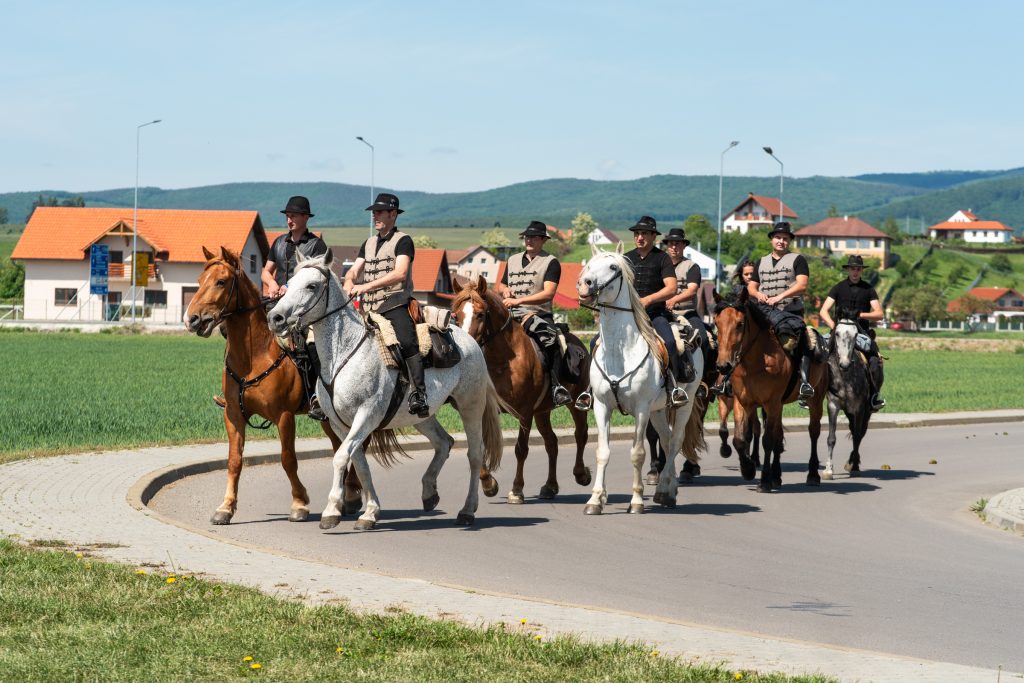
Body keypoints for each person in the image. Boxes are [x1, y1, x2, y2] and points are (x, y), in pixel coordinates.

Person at [214, 196, 329, 420]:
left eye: (294, 216)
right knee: (232, 329)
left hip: (302, 308)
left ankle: (316, 396)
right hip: (277, 303)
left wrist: (290, 288)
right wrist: (272, 283)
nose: (289, 220)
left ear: (306, 218)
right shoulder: (278, 242)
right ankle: (234, 390)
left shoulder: (316, 245)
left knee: (309, 344)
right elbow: (267, 271)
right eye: (287, 216)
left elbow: (316, 277)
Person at [343, 192, 428, 418]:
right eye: (374, 212)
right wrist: (350, 278)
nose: (375, 216)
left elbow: (400, 273)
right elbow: (355, 268)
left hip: (394, 303)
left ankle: (420, 394)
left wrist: (366, 286)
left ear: (393, 214)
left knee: (408, 341)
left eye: (379, 212)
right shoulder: (368, 243)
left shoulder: (404, 241)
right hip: (367, 308)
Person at [496, 220, 572, 406]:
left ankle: (556, 387)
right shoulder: (512, 260)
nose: (529, 240)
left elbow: (549, 293)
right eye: (527, 237)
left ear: (543, 240)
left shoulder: (551, 262)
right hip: (509, 313)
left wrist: (519, 301)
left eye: (534, 237)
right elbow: (501, 284)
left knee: (551, 340)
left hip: (538, 314)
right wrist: (504, 291)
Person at [623, 216, 691, 406]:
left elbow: (671, 288)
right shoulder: (626, 258)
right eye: (637, 233)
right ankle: (592, 390)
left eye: (644, 233)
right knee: (597, 341)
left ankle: (674, 387)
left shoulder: (662, 259)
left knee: (669, 342)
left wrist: (649, 299)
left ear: (653, 236)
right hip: (628, 315)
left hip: (655, 314)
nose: (639, 237)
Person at [747, 221, 816, 407]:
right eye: (778, 238)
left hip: (789, 310)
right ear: (771, 240)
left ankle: (804, 383)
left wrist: (779, 297)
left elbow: (802, 285)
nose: (781, 241)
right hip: (764, 310)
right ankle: (730, 380)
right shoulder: (761, 261)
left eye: (785, 239)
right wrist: (758, 294)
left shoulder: (797, 259)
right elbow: (751, 286)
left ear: (789, 241)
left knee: (804, 337)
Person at [819, 254, 886, 410]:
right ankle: (811, 391)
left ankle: (874, 396)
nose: (855, 272)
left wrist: (860, 315)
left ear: (861, 271)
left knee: (875, 361)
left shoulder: (869, 289)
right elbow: (823, 311)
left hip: (860, 333)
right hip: (839, 332)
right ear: (848, 270)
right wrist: (833, 326)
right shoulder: (838, 288)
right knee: (817, 353)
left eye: (858, 269)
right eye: (852, 269)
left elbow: (879, 313)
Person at [662, 227, 709, 398]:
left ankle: (703, 381)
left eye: (677, 244)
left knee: (703, 339)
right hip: (664, 314)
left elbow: (691, 291)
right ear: (667, 246)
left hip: (687, 313)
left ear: (684, 246)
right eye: (671, 244)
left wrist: (673, 300)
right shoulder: (661, 264)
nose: (674, 247)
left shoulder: (692, 266)